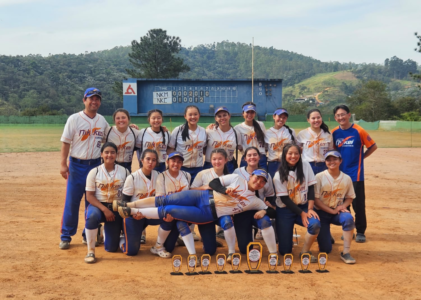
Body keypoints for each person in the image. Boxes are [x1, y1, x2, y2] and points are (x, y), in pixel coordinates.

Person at [113, 171, 270, 237]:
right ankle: (129, 205)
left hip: (207, 213)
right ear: (251, 176)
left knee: (169, 209)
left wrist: (264, 212)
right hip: (201, 196)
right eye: (257, 178)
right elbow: (214, 182)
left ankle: (130, 212)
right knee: (166, 199)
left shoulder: (255, 201)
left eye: (262, 181)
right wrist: (224, 190)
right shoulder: (237, 179)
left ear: (263, 185)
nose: (258, 182)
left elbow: (268, 209)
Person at [59, 87, 109, 250]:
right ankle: (66, 235)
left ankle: (87, 234)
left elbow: (113, 134)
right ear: (84, 100)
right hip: (76, 165)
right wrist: (63, 163)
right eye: (91, 98)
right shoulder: (74, 119)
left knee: (92, 203)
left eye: (97, 99)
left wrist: (133, 127)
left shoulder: (102, 121)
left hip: (95, 166)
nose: (94, 101)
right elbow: (66, 142)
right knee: (72, 202)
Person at [119, 149, 179, 256]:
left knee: (169, 245)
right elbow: (124, 202)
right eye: (148, 159)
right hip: (135, 215)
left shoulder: (160, 176)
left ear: (156, 163)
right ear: (141, 160)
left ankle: (160, 245)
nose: (150, 162)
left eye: (154, 160)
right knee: (131, 251)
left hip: (153, 214)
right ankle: (123, 238)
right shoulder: (132, 177)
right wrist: (132, 214)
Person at [332, 105, 377, 243]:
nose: (341, 117)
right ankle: (348, 229)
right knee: (343, 205)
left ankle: (361, 231)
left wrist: (361, 157)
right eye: (338, 115)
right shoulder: (334, 133)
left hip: (356, 174)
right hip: (340, 175)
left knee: (358, 205)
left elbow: (373, 146)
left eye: (343, 114)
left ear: (349, 115)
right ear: (335, 118)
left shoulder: (359, 130)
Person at [273, 144, 321, 261]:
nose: (293, 156)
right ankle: (279, 228)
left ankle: (305, 251)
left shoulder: (305, 165)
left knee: (315, 224)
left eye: (296, 153)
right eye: (290, 153)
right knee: (285, 251)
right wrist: (302, 214)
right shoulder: (278, 175)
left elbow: (310, 188)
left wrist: (309, 209)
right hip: (285, 209)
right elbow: (285, 199)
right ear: (284, 155)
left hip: (304, 205)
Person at [84, 142, 130, 263]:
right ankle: (91, 251)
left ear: (116, 154)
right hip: (98, 205)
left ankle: (106, 232)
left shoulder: (124, 172)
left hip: (116, 207)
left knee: (111, 248)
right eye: (107, 152)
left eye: (112, 152)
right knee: (92, 216)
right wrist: (105, 210)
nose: (109, 155)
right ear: (101, 154)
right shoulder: (94, 172)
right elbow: (89, 196)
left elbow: (128, 194)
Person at [191, 149, 238, 262]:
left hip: (221, 212)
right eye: (214, 159)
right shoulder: (203, 173)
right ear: (210, 160)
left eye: (220, 159)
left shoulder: (230, 177)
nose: (217, 161)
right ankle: (209, 241)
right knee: (210, 251)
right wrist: (204, 187)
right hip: (205, 212)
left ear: (226, 160)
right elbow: (191, 189)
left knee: (227, 221)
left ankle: (231, 252)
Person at [232, 148, 278, 260]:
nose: (252, 157)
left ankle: (273, 254)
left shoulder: (265, 175)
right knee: (244, 250)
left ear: (259, 157)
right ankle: (251, 232)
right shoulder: (237, 172)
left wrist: (267, 207)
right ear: (245, 158)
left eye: (255, 155)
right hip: (241, 211)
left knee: (265, 222)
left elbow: (271, 194)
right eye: (249, 155)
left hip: (259, 209)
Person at [314, 150, 357, 264]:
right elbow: (316, 201)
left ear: (340, 161)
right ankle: (326, 235)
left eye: (335, 159)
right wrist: (331, 211)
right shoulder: (319, 177)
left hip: (338, 212)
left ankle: (346, 252)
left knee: (348, 219)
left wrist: (343, 206)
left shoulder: (346, 178)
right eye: (329, 159)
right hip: (322, 213)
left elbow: (350, 197)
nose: (332, 162)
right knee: (326, 250)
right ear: (325, 162)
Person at [154, 151, 198, 257]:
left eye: (179, 162)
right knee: (169, 247)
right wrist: (166, 212)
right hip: (168, 212)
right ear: (167, 162)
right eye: (173, 161)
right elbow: (159, 199)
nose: (176, 164)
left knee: (170, 246)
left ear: (182, 164)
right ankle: (157, 246)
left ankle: (181, 238)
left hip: (182, 212)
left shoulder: (187, 175)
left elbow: (189, 196)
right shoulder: (162, 176)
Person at [168, 105, 206, 183]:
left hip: (198, 168)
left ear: (199, 115)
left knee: (195, 193)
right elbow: (170, 149)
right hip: (181, 167)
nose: (193, 117)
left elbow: (204, 149)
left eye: (195, 114)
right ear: (185, 116)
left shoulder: (203, 131)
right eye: (190, 114)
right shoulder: (178, 130)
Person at [203, 107, 241, 174]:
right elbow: (203, 148)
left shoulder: (236, 133)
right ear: (216, 119)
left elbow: (240, 148)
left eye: (224, 115)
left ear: (229, 116)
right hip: (210, 164)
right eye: (219, 116)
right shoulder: (209, 131)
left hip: (228, 164)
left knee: (228, 184)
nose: (222, 118)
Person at [297, 109, 334, 175]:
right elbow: (297, 150)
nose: (316, 120)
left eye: (318, 118)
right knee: (309, 185)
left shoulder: (328, 134)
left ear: (321, 118)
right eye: (313, 118)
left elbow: (330, 151)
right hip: (307, 165)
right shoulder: (302, 134)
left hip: (323, 165)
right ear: (308, 120)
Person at [234, 102, 267, 170]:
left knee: (262, 179)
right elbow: (239, 146)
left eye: (252, 112)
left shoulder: (260, 125)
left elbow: (265, 141)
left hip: (261, 157)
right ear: (243, 114)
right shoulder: (238, 128)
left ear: (254, 113)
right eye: (247, 112)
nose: (249, 114)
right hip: (247, 158)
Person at [265, 108, 297, 178]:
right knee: (273, 184)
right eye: (279, 117)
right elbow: (265, 149)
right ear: (274, 116)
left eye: (284, 118)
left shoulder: (290, 131)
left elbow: (296, 147)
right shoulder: (267, 133)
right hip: (272, 164)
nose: (281, 119)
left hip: (287, 163)